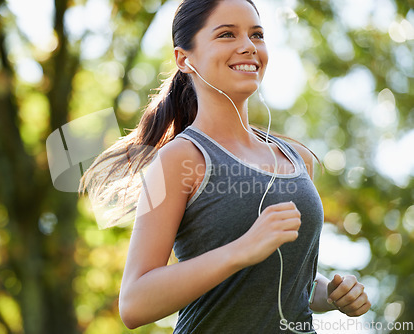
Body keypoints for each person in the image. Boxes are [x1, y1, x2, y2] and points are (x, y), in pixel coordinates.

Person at [80, 0, 371, 332]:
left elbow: (284, 284)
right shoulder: (182, 158)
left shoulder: (295, 157)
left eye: (256, 35)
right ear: (184, 59)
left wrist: (330, 294)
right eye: (227, 35)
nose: (248, 47)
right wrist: (242, 249)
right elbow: (134, 303)